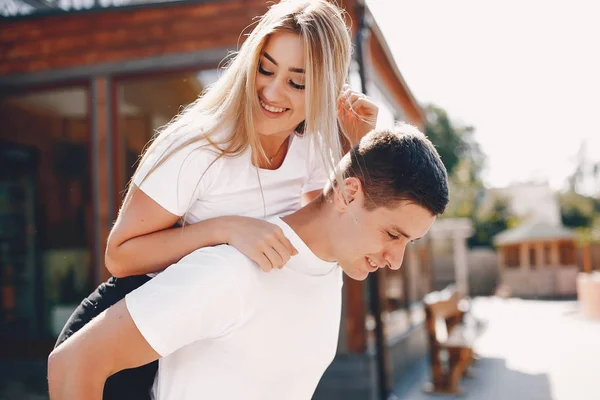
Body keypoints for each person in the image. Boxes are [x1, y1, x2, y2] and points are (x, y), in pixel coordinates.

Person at [53, 1, 378, 398]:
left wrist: (360, 146)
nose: (272, 91)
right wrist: (226, 229)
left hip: (201, 339)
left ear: (324, 89)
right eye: (265, 67)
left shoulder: (311, 146)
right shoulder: (198, 146)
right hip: (127, 335)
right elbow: (120, 256)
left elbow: (327, 232)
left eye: (298, 81)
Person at [48, 124, 450, 400]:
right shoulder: (233, 271)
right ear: (348, 194)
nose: (396, 261)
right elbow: (73, 363)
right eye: (392, 235)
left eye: (407, 243)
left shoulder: (330, 273)